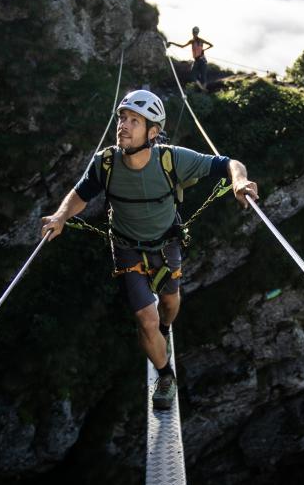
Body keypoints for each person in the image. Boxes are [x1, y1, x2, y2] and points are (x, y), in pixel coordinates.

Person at [40, 88, 258, 410]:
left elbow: (230, 164)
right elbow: (80, 194)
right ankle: (165, 374)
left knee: (169, 304)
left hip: (167, 243)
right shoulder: (106, 163)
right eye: (122, 119)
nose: (123, 126)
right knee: (146, 318)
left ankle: (166, 329)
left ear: (152, 132)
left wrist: (239, 183)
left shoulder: (172, 159)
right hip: (126, 247)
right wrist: (60, 216)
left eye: (134, 121)